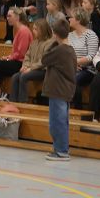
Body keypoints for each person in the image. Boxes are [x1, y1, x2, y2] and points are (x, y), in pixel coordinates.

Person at [42, 18, 77, 161]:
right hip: (64, 90)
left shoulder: (60, 50)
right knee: (61, 120)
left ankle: (61, 151)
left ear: (55, 33)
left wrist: (53, 41)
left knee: (57, 122)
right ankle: (61, 149)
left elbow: (44, 59)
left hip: (58, 90)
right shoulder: (69, 49)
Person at [0, 7, 33, 98]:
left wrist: (8, 58)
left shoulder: (24, 31)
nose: (7, 18)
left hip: (21, 63)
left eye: (10, 16)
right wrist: (8, 57)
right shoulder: (18, 30)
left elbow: (21, 53)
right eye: (7, 16)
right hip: (17, 61)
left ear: (17, 17)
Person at [10, 18, 53, 103]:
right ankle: (13, 102)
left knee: (23, 76)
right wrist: (25, 66)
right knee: (15, 77)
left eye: (36, 29)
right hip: (31, 68)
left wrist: (30, 68)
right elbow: (27, 56)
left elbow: (44, 61)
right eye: (33, 28)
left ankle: (23, 102)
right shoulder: (34, 42)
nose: (33, 31)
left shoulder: (49, 43)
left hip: (44, 70)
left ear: (43, 30)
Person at [67, 7, 99, 109]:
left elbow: (91, 56)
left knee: (74, 80)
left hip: (87, 69)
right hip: (72, 67)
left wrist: (75, 62)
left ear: (78, 20)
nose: (69, 19)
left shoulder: (91, 35)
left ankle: (78, 110)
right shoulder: (69, 35)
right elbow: (65, 54)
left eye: (71, 17)